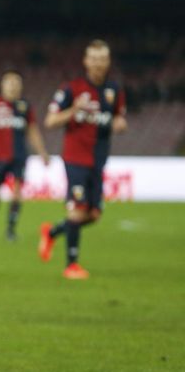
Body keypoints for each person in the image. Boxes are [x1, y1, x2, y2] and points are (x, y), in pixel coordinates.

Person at [39, 39, 127, 279]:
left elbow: (120, 119)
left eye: (102, 59)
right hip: (75, 158)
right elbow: (50, 121)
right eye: (94, 59)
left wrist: (119, 124)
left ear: (108, 62)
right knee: (77, 211)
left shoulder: (114, 91)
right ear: (86, 61)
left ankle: (53, 232)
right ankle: (71, 265)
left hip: (98, 159)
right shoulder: (72, 89)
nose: (98, 64)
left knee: (94, 214)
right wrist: (73, 110)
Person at [0, 70, 50, 242]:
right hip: (0, 157)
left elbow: (32, 131)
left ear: (20, 87)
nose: (13, 87)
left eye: (16, 84)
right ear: (2, 86)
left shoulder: (24, 106)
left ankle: (10, 230)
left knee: (16, 192)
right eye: (9, 83)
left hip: (19, 156)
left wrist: (42, 152)